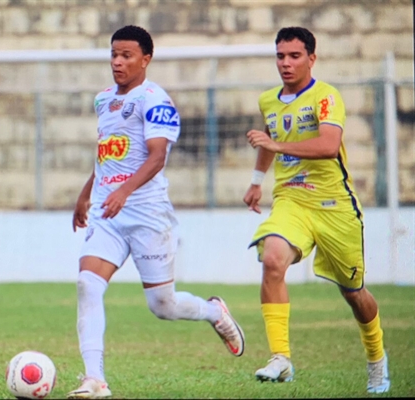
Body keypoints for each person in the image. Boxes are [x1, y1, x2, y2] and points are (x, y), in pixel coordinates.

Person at [68, 25, 245, 399]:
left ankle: (214, 312)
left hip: (147, 213)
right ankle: (94, 379)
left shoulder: (155, 99)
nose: (117, 61)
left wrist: (124, 191)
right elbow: (107, 152)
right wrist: (87, 193)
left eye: (127, 55)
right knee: (87, 284)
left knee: (162, 306)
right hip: (107, 212)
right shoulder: (103, 100)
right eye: (114, 54)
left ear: (145, 59)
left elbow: (157, 156)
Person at [243, 26, 390, 393]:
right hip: (292, 199)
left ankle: (377, 360)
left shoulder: (326, 96)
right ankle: (281, 358)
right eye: (280, 56)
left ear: (312, 57)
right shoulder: (269, 100)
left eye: (294, 56)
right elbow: (268, 137)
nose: (286, 63)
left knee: (354, 294)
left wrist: (275, 145)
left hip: (335, 206)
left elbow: (328, 145)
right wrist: (256, 180)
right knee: (272, 259)